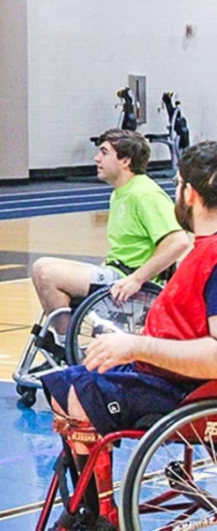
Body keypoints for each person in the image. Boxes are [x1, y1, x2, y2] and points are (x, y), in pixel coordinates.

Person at [42, 140, 217, 467]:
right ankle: (87, 507)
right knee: (64, 384)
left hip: (186, 389)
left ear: (190, 193)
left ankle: (95, 514)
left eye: (177, 186)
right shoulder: (204, 249)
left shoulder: (214, 256)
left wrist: (136, 345)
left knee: (77, 394)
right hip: (172, 376)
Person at [30, 129, 189, 340]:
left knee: (45, 271)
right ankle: (66, 341)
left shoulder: (145, 194)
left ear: (125, 161)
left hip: (130, 281)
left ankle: (64, 346)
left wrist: (136, 279)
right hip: (116, 272)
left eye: (104, 152)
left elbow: (178, 241)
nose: (97, 158)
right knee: (49, 275)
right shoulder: (120, 193)